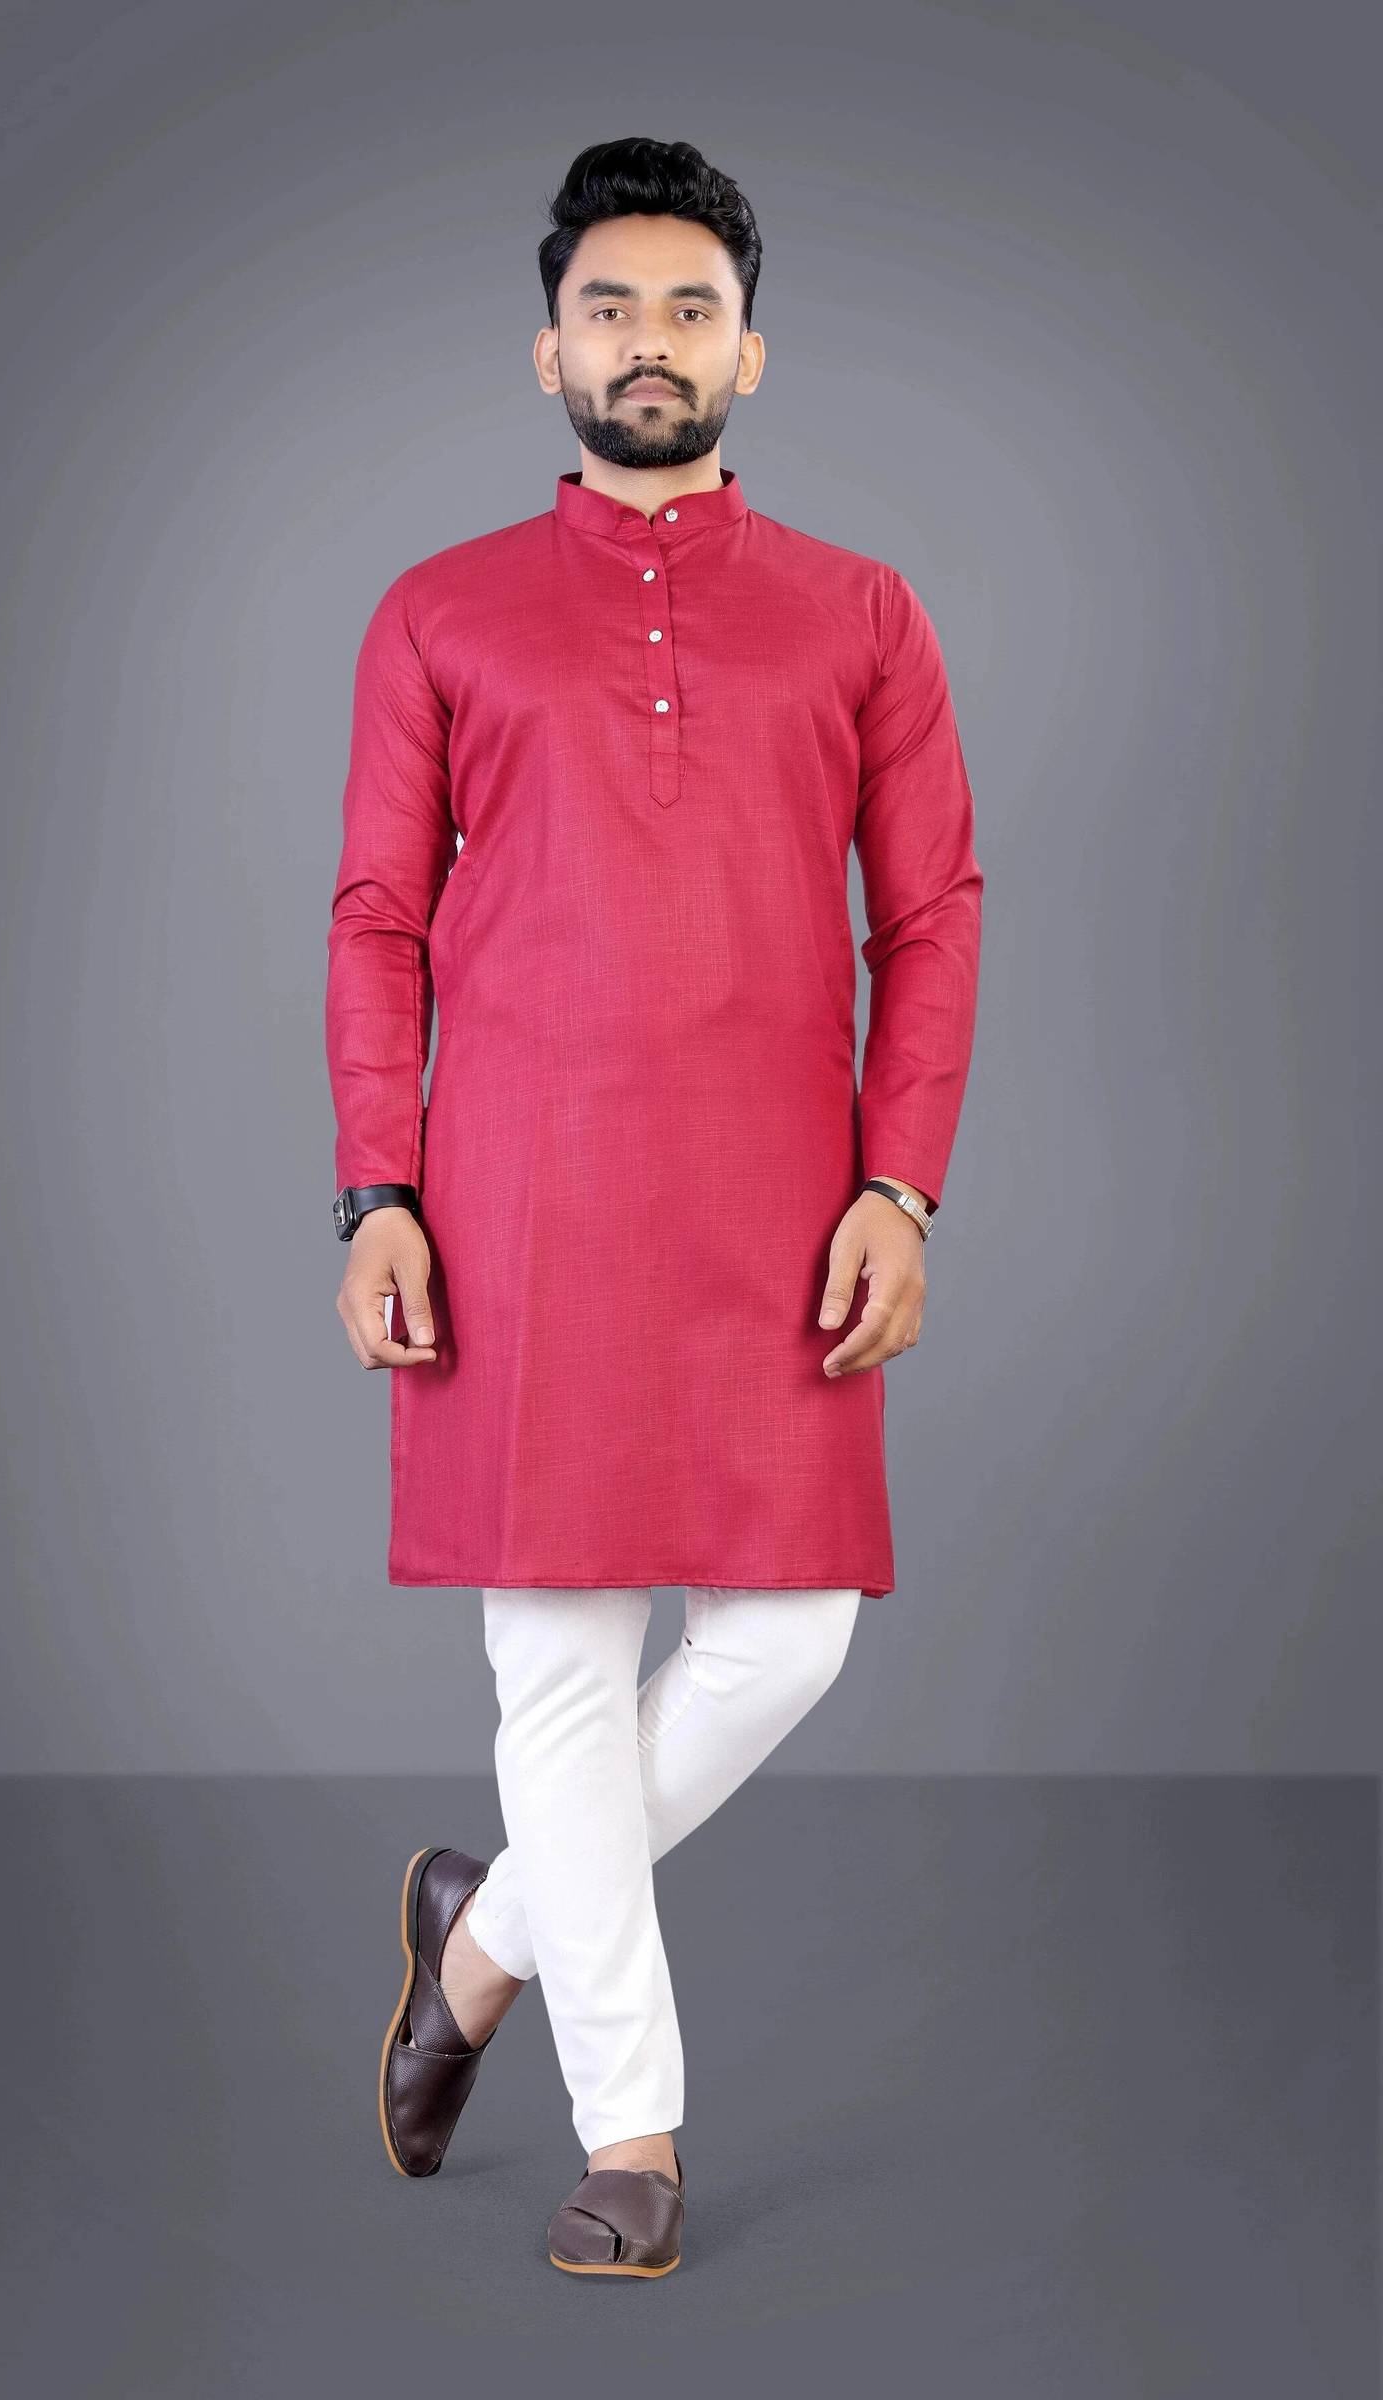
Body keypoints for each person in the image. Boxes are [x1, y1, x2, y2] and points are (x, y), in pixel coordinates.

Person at [327, 135, 984, 2277]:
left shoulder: (861, 613)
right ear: (548, 351)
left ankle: (480, 1939)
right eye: (607, 307)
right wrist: (377, 1189)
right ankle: (634, 2142)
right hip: (514, 1202)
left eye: (689, 309)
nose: (647, 342)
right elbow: (376, 919)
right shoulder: (437, 610)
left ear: (748, 353)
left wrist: (899, 1183)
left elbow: (933, 916)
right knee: (558, 1667)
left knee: (787, 1636)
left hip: (783, 1208)